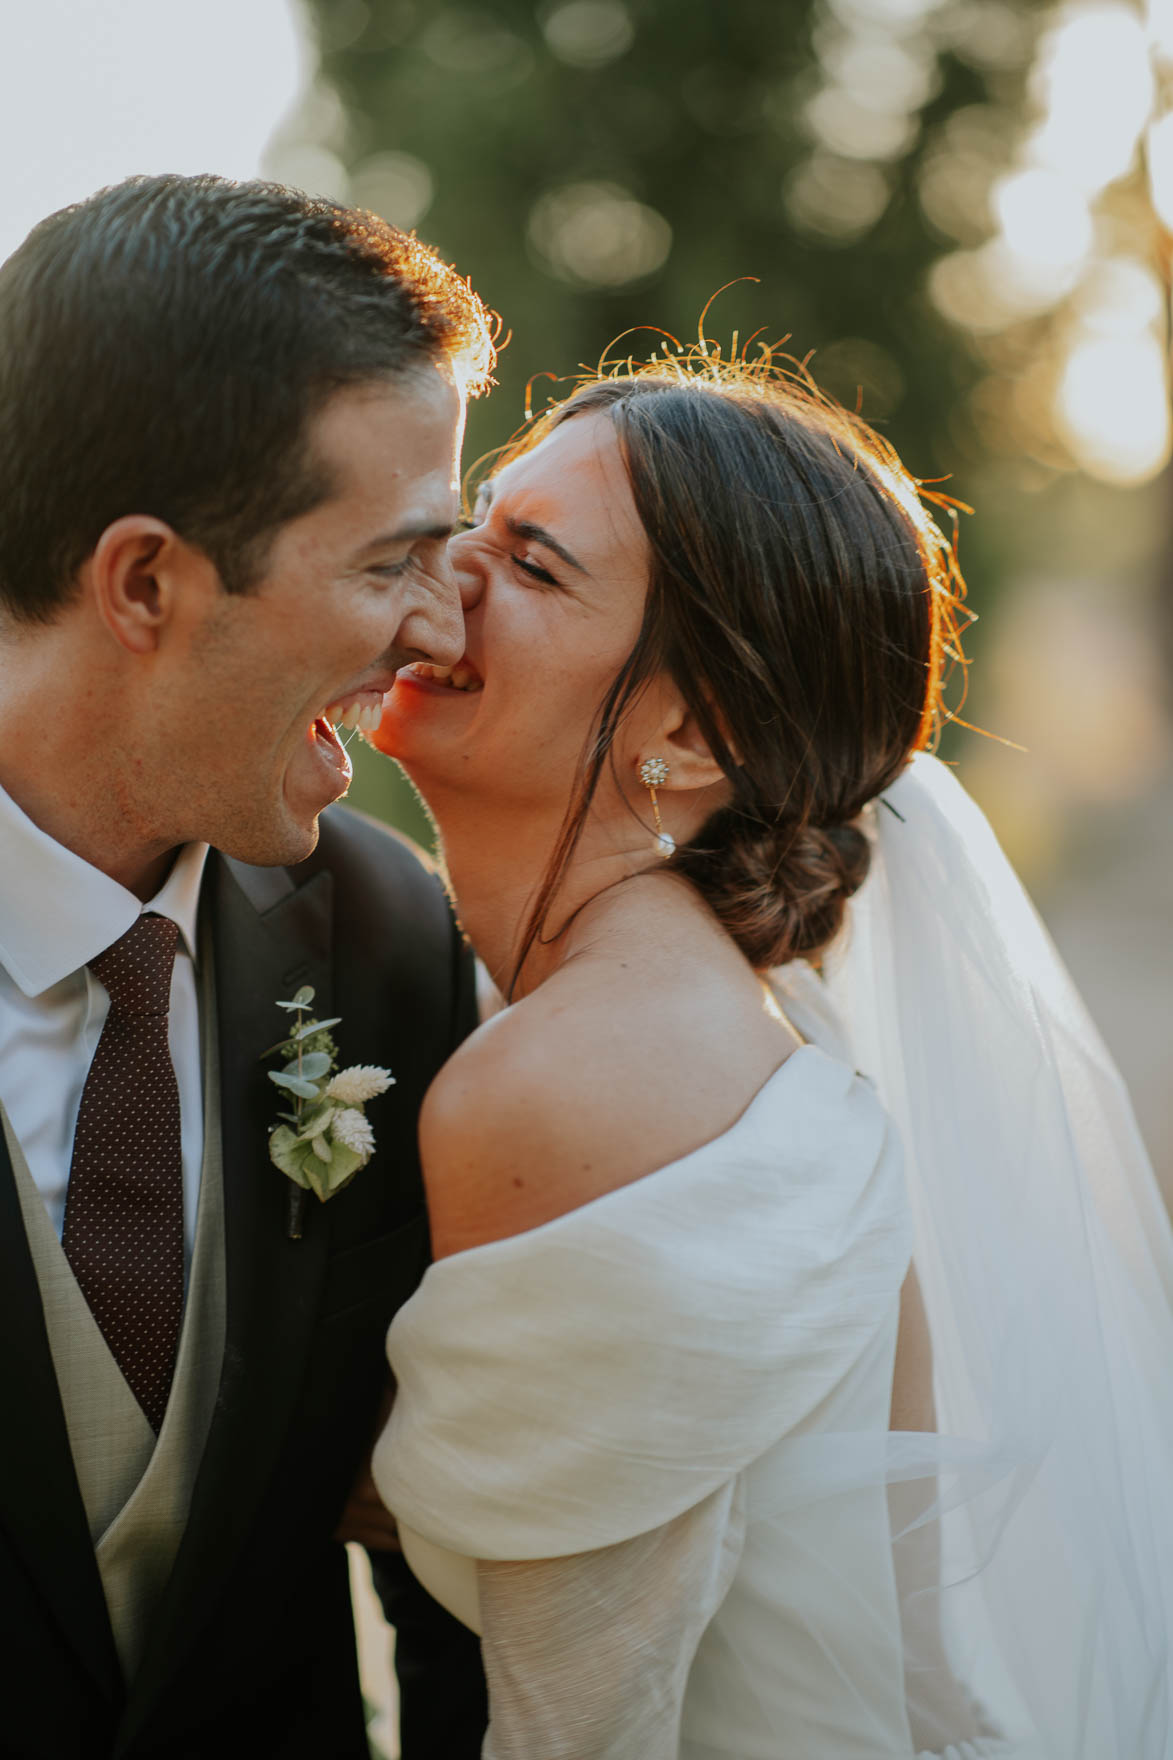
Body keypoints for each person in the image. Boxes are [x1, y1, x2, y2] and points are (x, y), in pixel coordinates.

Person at [367, 352, 1173, 1756]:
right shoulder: (729, 1032)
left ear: (691, 732)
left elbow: (586, 1725)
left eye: (538, 566)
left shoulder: (576, 1082)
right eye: (474, 523)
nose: (447, 578)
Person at [0, 174, 492, 1759]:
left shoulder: (394, 943)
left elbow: (447, 1563)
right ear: (145, 582)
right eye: (388, 561)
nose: (439, 635)